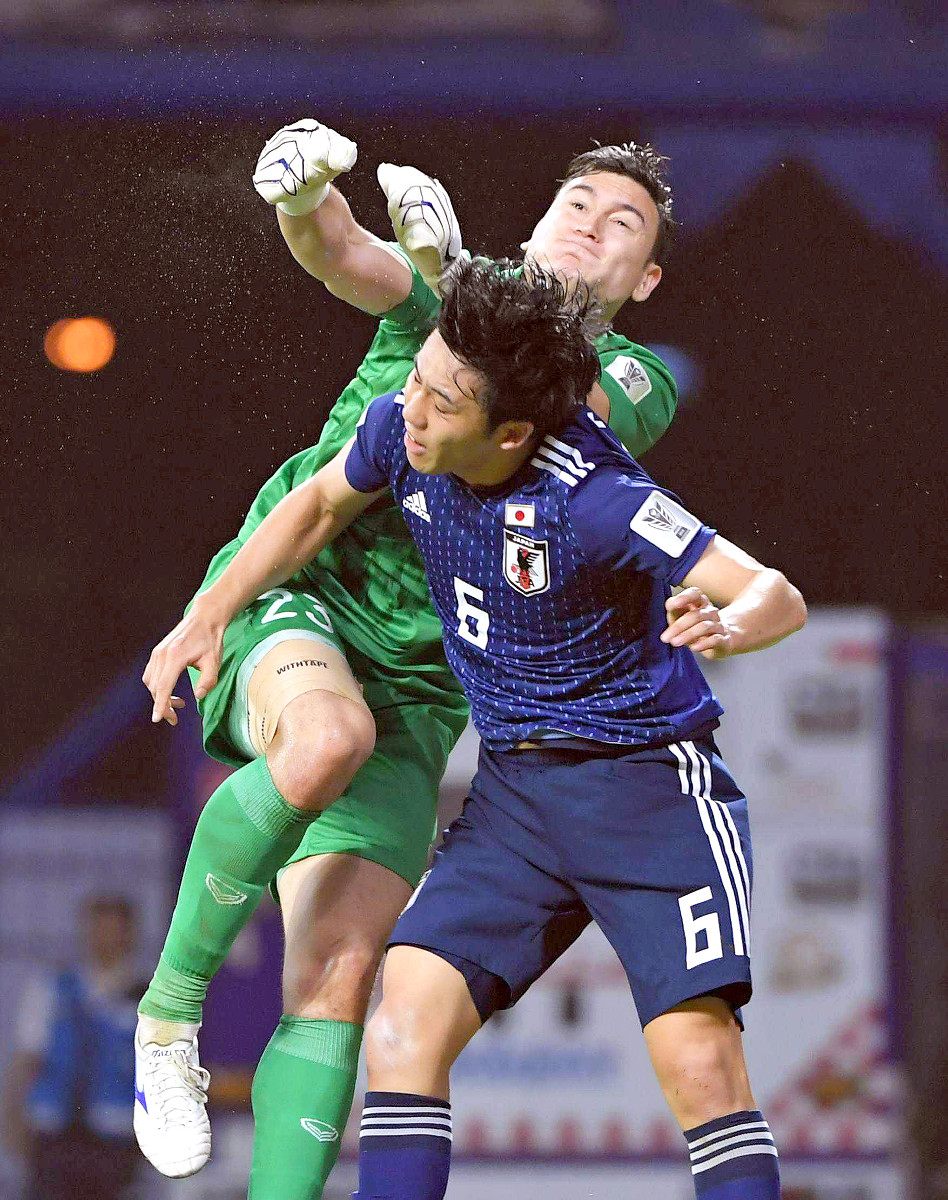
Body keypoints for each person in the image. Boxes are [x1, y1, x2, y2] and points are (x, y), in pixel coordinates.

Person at [143, 258, 806, 1200]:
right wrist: (212, 609)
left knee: (698, 1065)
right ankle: (170, 1016)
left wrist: (732, 625)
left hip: (647, 791)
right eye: (417, 379)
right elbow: (319, 504)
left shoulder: (597, 497)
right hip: (517, 800)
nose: (408, 408)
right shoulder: (404, 427)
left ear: (512, 432)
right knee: (404, 1024)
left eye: (439, 399)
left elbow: (774, 593)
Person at [1, 896, 144, 1200]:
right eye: (98, 929)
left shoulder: (146, 999)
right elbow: (27, 1060)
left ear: (129, 934)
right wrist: (11, 1121)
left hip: (116, 1138)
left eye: (113, 929)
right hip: (53, 1134)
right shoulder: (52, 989)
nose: (105, 938)